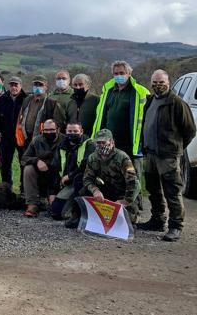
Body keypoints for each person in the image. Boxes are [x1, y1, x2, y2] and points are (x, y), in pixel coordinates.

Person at [137, 70, 196, 241]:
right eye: (155, 82)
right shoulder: (150, 101)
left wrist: (176, 147)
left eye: (161, 82)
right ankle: (157, 220)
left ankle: (176, 226)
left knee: (172, 191)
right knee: (153, 189)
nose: (157, 85)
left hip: (168, 156)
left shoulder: (177, 103)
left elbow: (190, 130)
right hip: (150, 154)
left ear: (168, 82)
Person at [67, 129, 141, 226]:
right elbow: (87, 179)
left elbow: (133, 183)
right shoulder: (92, 157)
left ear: (111, 142)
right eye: (98, 142)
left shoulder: (122, 157)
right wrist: (95, 190)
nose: (101, 145)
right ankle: (77, 214)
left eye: (103, 142)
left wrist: (125, 201)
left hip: (122, 193)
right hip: (106, 190)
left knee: (127, 222)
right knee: (79, 180)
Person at [92, 60, 149, 177]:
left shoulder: (139, 92)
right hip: (109, 144)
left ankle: (135, 196)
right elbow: (101, 116)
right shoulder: (108, 91)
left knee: (132, 178)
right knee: (111, 177)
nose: (119, 76)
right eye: (116, 74)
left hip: (130, 145)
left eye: (122, 73)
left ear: (129, 73)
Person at [50, 122, 95, 221]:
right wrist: (52, 193)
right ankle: (70, 209)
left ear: (81, 131)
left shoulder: (89, 144)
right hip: (68, 184)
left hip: (84, 181)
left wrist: (69, 176)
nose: (72, 133)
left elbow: (86, 166)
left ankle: (78, 213)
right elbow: (55, 169)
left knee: (79, 181)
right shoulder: (61, 146)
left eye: (75, 131)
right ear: (65, 131)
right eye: (69, 131)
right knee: (55, 212)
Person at [20, 119, 63, 217]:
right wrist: (37, 161)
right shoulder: (36, 140)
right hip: (42, 174)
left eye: (52, 130)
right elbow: (24, 158)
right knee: (28, 169)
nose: (48, 132)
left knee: (57, 211)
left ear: (58, 129)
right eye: (46, 130)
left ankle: (54, 199)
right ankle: (32, 204)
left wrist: (53, 191)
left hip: (58, 176)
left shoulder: (64, 141)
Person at [17, 74, 64, 150]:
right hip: (26, 139)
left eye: (41, 85)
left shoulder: (52, 103)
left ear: (46, 87)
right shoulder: (27, 100)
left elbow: (59, 123)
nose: (38, 87)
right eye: (35, 84)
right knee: (26, 159)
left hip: (44, 140)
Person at [0, 76, 27, 186]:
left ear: (21, 86)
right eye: (11, 85)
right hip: (6, 137)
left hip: (21, 137)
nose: (13, 87)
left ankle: (23, 188)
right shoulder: (2, 99)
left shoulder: (26, 99)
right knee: (5, 164)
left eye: (16, 85)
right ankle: (6, 187)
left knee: (23, 163)